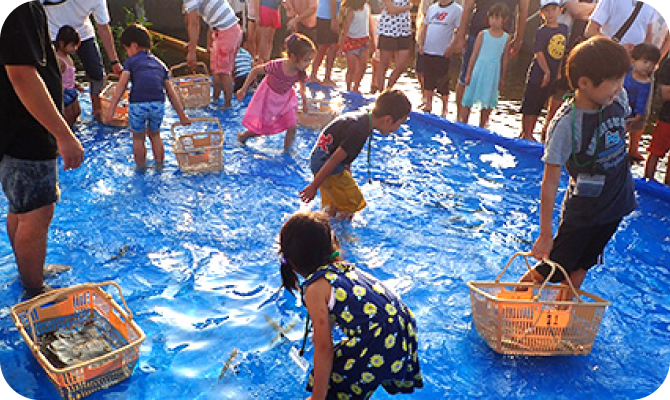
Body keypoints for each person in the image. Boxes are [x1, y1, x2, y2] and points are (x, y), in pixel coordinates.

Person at [520, 36, 636, 290]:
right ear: (584, 83)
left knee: (583, 264)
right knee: (553, 269)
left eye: (621, 79)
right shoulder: (565, 125)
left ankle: (563, 320)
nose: (620, 87)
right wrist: (545, 234)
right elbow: (550, 182)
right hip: (583, 212)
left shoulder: (617, 99)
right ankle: (507, 305)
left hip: (616, 204)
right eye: (613, 81)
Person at [278, 211, 423, 400]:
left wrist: (317, 397)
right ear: (332, 244)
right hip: (403, 328)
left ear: (293, 262)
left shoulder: (315, 289)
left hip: (379, 338)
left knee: (333, 388)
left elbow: (324, 348)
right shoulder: (345, 270)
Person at [1, 1, 85, 298]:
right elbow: (22, 74)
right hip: (26, 130)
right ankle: (35, 288)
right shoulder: (21, 9)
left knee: (21, 207)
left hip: (14, 128)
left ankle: (30, 270)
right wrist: (63, 134)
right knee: (36, 212)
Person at [300, 89, 411, 220]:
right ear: (387, 119)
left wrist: (346, 170)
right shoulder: (359, 130)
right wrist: (314, 186)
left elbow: (342, 150)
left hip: (319, 159)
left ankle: (324, 224)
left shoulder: (363, 118)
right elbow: (335, 159)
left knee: (333, 205)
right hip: (327, 165)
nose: (396, 129)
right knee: (353, 203)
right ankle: (340, 236)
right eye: (399, 124)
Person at [104, 24, 190, 171]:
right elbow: (171, 92)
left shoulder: (130, 63)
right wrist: (182, 115)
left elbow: (122, 86)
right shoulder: (161, 65)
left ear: (134, 45)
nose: (127, 53)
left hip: (138, 104)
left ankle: (140, 168)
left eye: (127, 49)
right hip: (158, 104)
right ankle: (159, 166)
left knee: (138, 137)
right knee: (155, 135)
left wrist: (111, 110)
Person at [43, 0, 123, 120]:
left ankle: (98, 112)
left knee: (97, 74)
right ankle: (55, 116)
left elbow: (103, 27)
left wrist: (114, 62)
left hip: (83, 34)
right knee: (54, 75)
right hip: (55, 34)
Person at [236, 34, 315, 152]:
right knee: (262, 128)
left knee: (292, 126)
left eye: (310, 60)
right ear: (293, 57)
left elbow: (302, 87)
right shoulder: (277, 66)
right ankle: (244, 136)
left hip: (286, 101)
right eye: (306, 60)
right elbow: (255, 71)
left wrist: (305, 103)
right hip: (269, 98)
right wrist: (243, 89)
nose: (308, 63)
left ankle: (287, 151)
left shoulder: (300, 72)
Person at [454, 0, 530, 120]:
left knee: (493, 80)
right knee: (466, 77)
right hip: (477, 31)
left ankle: (484, 122)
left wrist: (518, 37)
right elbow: (468, 6)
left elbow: (523, 9)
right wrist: (461, 35)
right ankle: (460, 118)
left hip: (502, 36)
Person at [519, 0, 568, 141]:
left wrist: (557, 71)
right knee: (531, 101)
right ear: (541, 13)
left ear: (560, 11)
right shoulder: (542, 31)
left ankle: (531, 132)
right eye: (547, 10)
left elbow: (562, 52)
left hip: (553, 71)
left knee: (540, 102)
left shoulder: (564, 29)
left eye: (553, 9)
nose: (550, 13)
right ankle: (526, 132)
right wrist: (546, 71)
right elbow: (539, 52)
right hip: (539, 71)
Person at [459, 2, 511, 128]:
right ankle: (463, 121)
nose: (494, 21)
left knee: (487, 100)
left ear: (504, 20)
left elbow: (504, 58)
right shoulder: (483, 34)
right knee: (469, 97)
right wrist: (469, 73)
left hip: (493, 71)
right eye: (492, 17)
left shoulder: (506, 38)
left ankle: (483, 124)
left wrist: (502, 77)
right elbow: (474, 55)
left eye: (497, 18)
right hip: (479, 68)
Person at [184, 0, 243, 108]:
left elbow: (193, 23)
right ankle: (215, 99)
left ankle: (227, 105)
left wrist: (192, 51)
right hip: (224, 30)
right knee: (216, 69)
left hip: (227, 31)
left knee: (224, 72)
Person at [416, 0, 463, 117]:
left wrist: (452, 47)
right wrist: (421, 44)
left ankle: (445, 107)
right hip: (428, 49)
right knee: (428, 78)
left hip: (442, 52)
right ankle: (428, 103)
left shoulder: (457, 10)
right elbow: (425, 27)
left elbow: (459, 31)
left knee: (443, 80)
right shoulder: (432, 8)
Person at [624, 43, 660, 161]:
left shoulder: (645, 84)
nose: (648, 67)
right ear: (633, 61)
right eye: (645, 62)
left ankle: (629, 150)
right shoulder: (626, 72)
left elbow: (642, 102)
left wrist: (638, 117)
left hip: (628, 113)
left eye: (652, 64)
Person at [584, 0, 657, 53]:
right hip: (608, 55)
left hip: (632, 64)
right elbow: (590, 31)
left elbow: (648, 36)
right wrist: (618, 48)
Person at [375, 0, 413, 91]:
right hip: (388, 30)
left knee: (401, 66)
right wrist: (407, 7)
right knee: (384, 64)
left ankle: (388, 88)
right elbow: (391, 10)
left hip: (404, 30)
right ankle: (381, 91)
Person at [339, 0, 375, 93]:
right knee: (352, 67)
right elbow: (345, 29)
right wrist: (341, 47)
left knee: (363, 66)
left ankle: (356, 86)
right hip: (351, 41)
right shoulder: (351, 12)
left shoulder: (367, 7)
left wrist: (373, 40)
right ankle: (348, 87)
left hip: (364, 40)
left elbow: (369, 24)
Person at [644, 57, 670, 185]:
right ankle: (647, 182)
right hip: (667, 118)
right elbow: (665, 94)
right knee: (655, 152)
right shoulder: (668, 64)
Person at [55, 25, 83, 127]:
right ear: (61, 44)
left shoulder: (68, 57)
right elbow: (56, 78)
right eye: (72, 46)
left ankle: (75, 127)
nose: (75, 49)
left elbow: (69, 75)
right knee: (68, 117)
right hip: (64, 92)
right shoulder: (58, 60)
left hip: (71, 89)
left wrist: (75, 84)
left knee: (77, 112)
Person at [309, 0, 342, 86]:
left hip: (330, 17)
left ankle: (327, 76)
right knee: (323, 48)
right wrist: (334, 19)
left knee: (333, 48)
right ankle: (313, 75)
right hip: (325, 17)